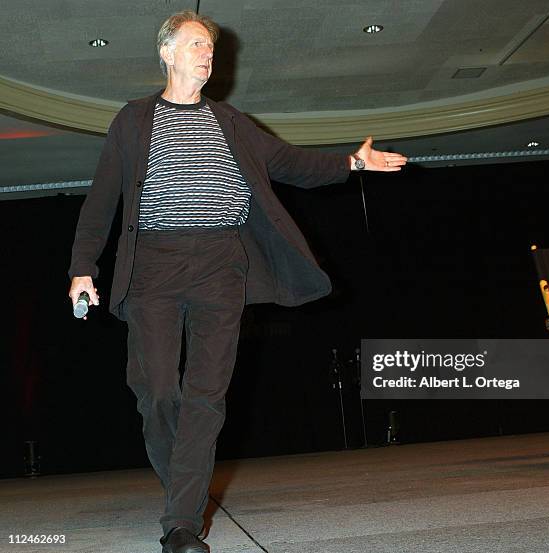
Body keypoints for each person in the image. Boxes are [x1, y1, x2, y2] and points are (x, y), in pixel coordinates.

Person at [68, 10, 407, 553]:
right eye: (197, 44)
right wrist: (82, 268)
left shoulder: (231, 122)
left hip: (222, 265)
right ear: (168, 53)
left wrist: (354, 163)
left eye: (211, 48)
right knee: (156, 390)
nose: (208, 54)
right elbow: (102, 199)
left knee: (206, 395)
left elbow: (293, 164)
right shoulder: (133, 119)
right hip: (154, 264)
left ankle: (180, 523)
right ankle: (184, 482)